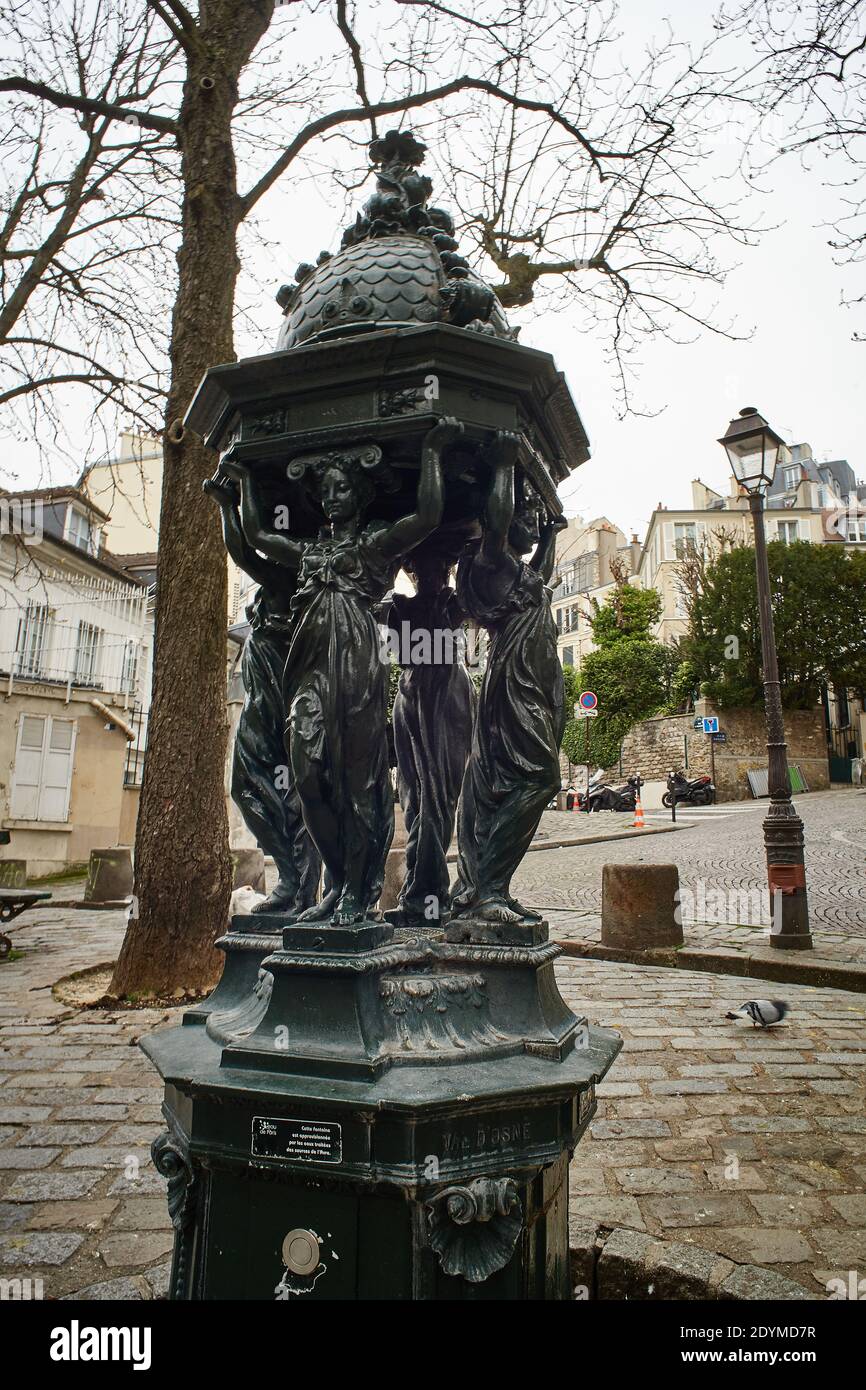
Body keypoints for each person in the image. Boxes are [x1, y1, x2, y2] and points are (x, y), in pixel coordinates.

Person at [223, 418, 462, 926]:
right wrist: (237, 488)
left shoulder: (373, 548)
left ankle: (354, 890)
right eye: (326, 489)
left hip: (357, 678)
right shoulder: (310, 555)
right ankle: (336, 876)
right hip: (311, 679)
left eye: (342, 488)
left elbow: (426, 515)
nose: (332, 497)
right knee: (308, 775)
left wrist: (433, 451)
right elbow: (255, 537)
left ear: (359, 494)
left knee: (359, 787)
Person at [453, 430, 566, 924]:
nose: (530, 519)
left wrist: (551, 534)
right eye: (524, 513)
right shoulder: (489, 560)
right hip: (514, 685)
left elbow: (540, 572)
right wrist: (503, 465)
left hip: (538, 684)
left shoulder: (521, 576)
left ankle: (481, 885)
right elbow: (498, 525)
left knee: (504, 780)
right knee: (540, 778)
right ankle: (490, 890)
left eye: (533, 515)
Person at [203, 474, 321, 917]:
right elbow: (249, 543)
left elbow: (243, 544)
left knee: (293, 795)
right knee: (250, 787)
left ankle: (299, 884)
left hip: (279, 703)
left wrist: (231, 501)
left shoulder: (288, 576)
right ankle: (296, 881)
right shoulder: (283, 577)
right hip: (260, 702)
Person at [387, 536, 474, 929]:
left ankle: (428, 893)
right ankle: (423, 892)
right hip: (413, 694)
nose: (432, 574)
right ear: (412, 571)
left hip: (449, 696)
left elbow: (488, 597)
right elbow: (400, 653)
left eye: (440, 566)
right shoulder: (400, 607)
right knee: (414, 795)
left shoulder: (457, 603)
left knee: (441, 794)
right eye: (421, 568)